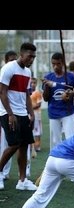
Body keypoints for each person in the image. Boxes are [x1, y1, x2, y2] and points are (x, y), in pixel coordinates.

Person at [0, 43, 37, 191]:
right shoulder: (8, 68)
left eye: (34, 57)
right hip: (7, 112)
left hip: (23, 113)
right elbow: (2, 92)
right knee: (14, 144)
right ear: (21, 54)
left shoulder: (28, 72)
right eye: (30, 56)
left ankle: (22, 181)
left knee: (24, 145)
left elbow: (27, 95)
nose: (32, 59)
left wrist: (31, 113)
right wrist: (10, 114)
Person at [42, 52, 74, 150]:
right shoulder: (48, 77)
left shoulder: (72, 77)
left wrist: (69, 93)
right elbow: (45, 98)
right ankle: (56, 162)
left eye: (58, 64)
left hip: (68, 112)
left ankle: (72, 160)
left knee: (71, 140)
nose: (55, 66)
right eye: (53, 64)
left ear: (63, 63)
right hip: (53, 113)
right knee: (55, 142)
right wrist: (46, 86)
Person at [1, 50, 18, 180]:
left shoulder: (16, 74)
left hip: (8, 112)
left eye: (15, 59)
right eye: (11, 60)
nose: (13, 62)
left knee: (8, 143)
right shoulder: (4, 73)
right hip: (3, 111)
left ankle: (4, 173)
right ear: (5, 60)